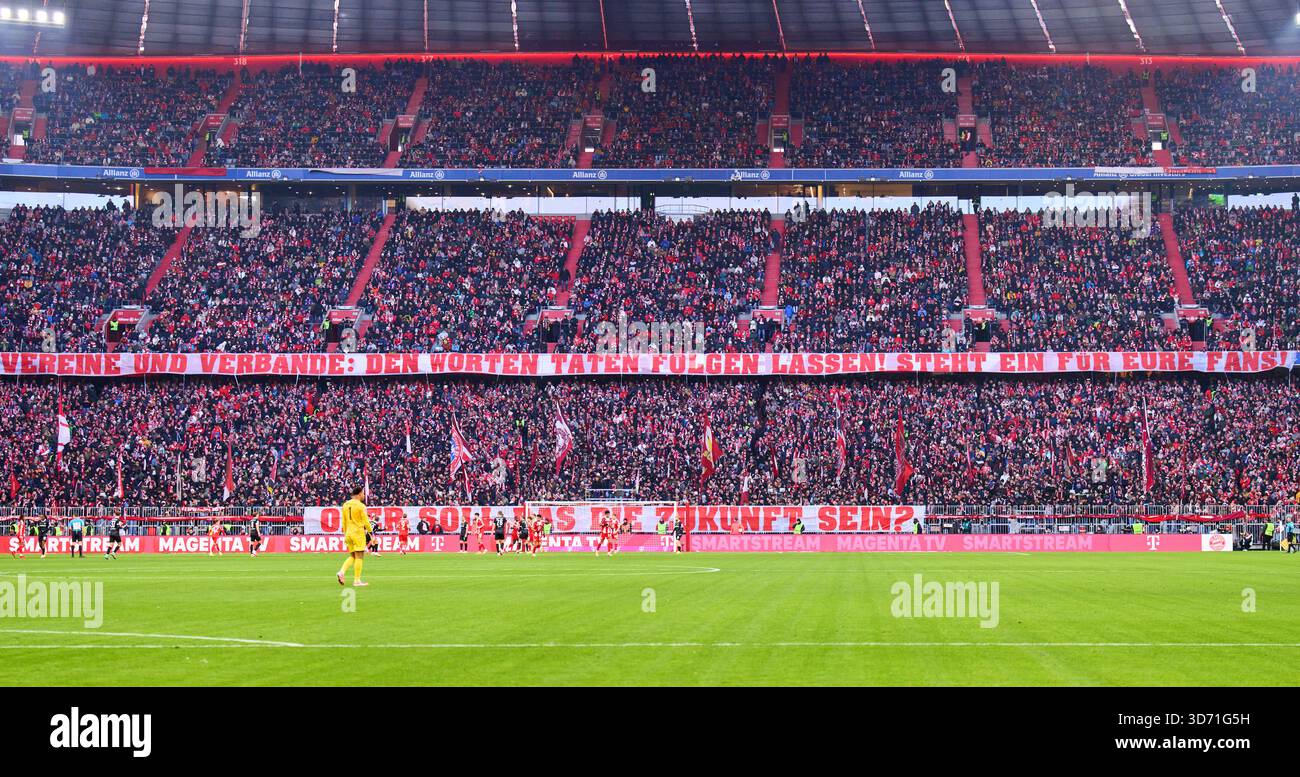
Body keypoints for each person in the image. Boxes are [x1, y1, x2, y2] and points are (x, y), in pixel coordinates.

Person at [337, 486, 372, 587]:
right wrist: (370, 532)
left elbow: (343, 521)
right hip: (358, 533)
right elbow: (366, 521)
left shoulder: (345, 505)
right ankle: (357, 580)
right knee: (360, 556)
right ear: (360, 493)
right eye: (363, 493)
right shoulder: (361, 506)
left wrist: (345, 534)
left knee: (352, 556)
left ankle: (341, 572)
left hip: (348, 533)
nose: (364, 495)